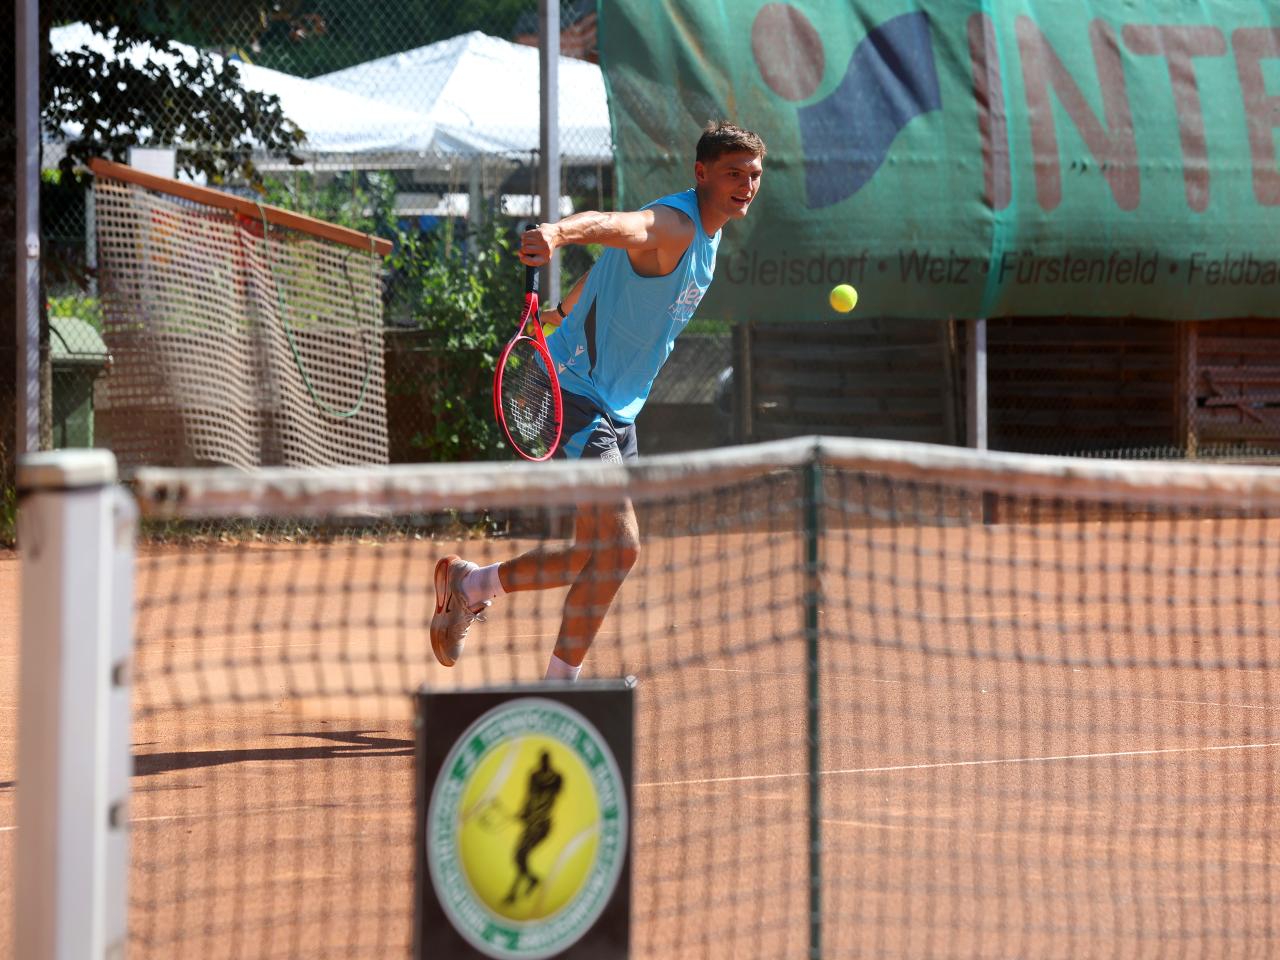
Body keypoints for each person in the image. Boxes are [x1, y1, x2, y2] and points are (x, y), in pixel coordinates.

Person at [431, 120, 766, 681]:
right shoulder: (675, 224)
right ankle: (561, 687)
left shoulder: (711, 233)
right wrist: (559, 233)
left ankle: (470, 584)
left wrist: (561, 312)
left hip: (618, 407)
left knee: (590, 554)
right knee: (623, 545)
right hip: (576, 394)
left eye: (754, 175)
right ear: (701, 173)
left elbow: (612, 268)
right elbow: (616, 227)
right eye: (734, 173)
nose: (746, 185)